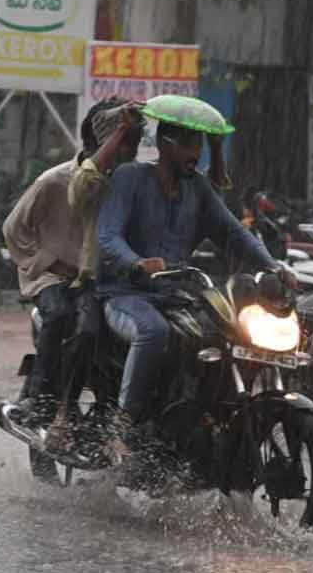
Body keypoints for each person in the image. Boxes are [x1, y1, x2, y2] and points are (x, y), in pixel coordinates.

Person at [96, 106, 293, 458]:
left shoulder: (198, 189)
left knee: (224, 335)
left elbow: (235, 233)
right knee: (153, 332)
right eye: (187, 143)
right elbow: (108, 237)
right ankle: (121, 428)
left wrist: (274, 266)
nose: (195, 152)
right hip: (125, 295)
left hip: (176, 295)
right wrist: (137, 263)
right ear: (164, 143)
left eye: (199, 143)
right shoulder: (129, 178)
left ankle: (202, 418)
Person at [1, 97, 142, 443]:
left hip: (94, 283)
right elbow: (13, 229)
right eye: (126, 142)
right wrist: (44, 262)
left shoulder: (127, 186)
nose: (131, 151)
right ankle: (39, 398)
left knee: (93, 333)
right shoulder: (56, 180)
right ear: (101, 141)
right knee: (60, 314)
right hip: (53, 277)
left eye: (135, 143)